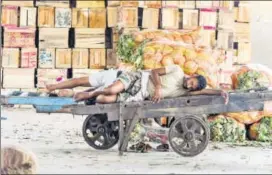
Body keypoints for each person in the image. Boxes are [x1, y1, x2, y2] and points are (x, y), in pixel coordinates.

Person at [46, 65, 229, 104]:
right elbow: (154, 71)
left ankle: (90, 95)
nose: (189, 85)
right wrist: (157, 87)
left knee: (106, 98)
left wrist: (219, 92)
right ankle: (85, 94)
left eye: (192, 86)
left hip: (137, 94)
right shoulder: (177, 70)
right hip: (136, 79)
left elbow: (202, 93)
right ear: (192, 76)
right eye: (192, 81)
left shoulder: (183, 92)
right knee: (109, 88)